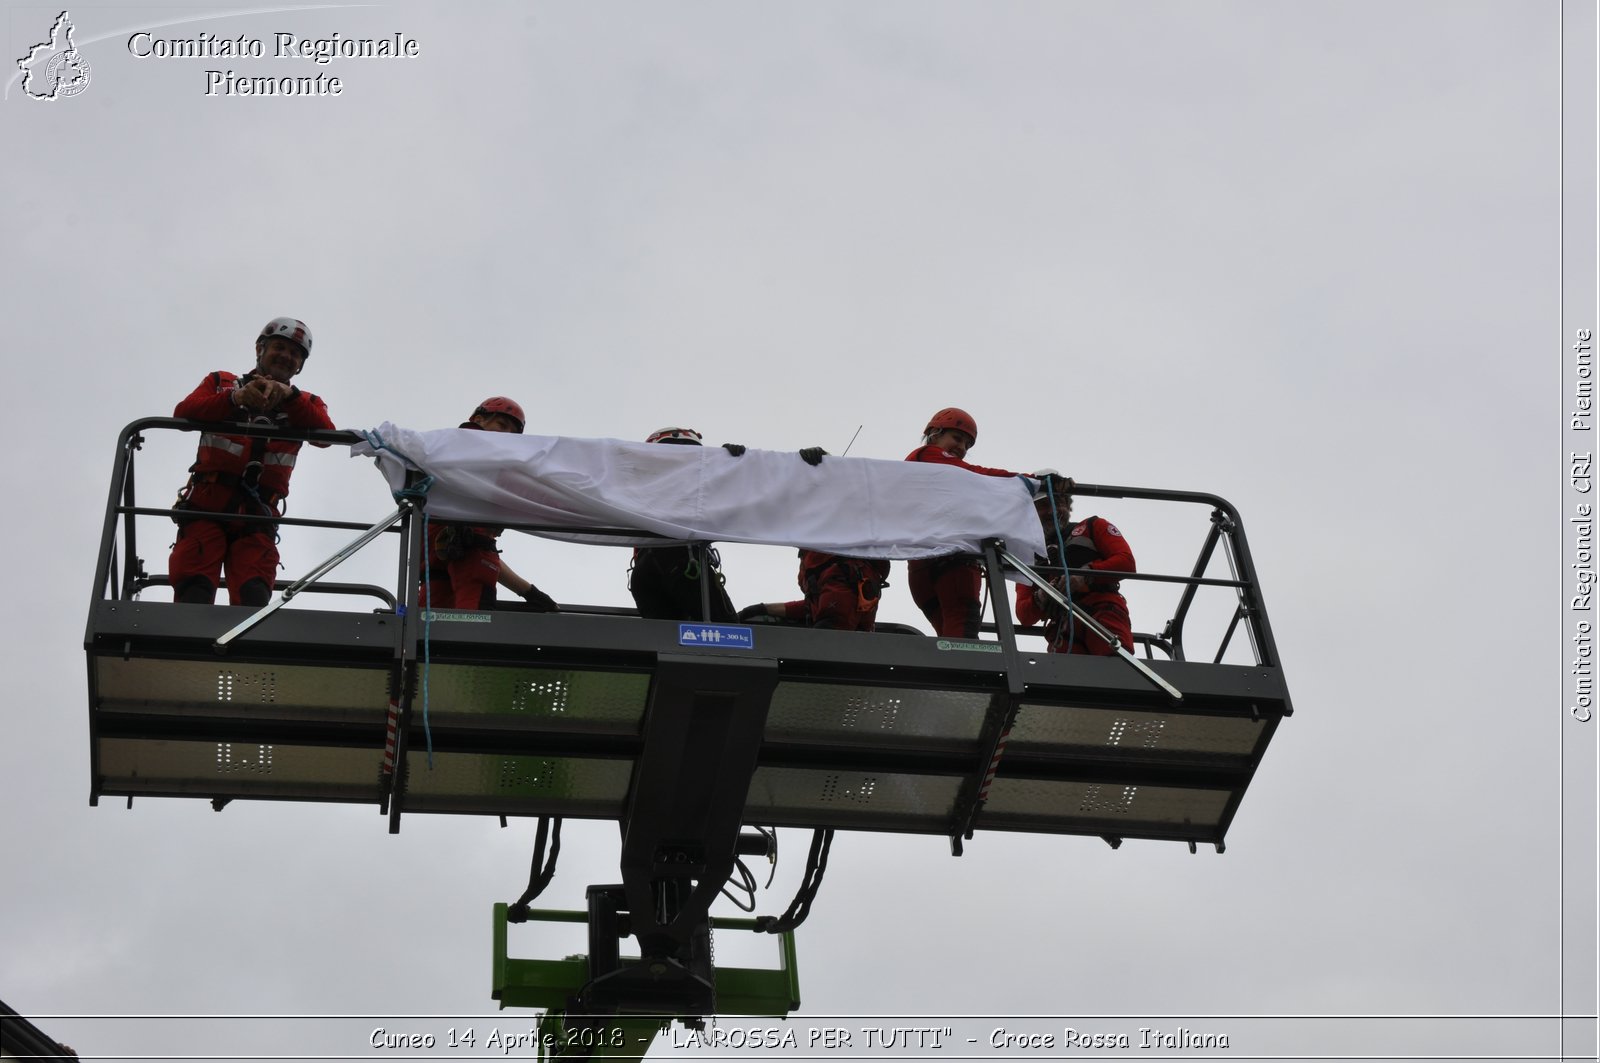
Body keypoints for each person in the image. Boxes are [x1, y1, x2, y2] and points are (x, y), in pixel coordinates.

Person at [169, 317, 334, 606]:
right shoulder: (221, 382)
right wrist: (235, 399)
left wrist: (290, 398)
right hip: (207, 507)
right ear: (260, 349)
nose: (286, 356)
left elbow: (326, 435)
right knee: (193, 590)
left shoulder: (307, 402)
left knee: (254, 596)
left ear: (300, 365)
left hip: (258, 517)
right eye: (279, 347)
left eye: (295, 354)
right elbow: (183, 414)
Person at [420, 397, 559, 612]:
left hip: (440, 570)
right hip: (456, 570)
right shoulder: (480, 462)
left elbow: (481, 550)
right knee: (469, 629)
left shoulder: (447, 455)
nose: (507, 436)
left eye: (513, 433)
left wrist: (530, 592)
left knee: (425, 631)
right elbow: (478, 554)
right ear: (478, 420)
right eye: (501, 425)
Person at [903, 407, 1024, 638]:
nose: (962, 448)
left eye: (967, 445)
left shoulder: (919, 463)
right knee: (963, 637)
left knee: (949, 638)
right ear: (934, 433)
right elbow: (975, 474)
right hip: (953, 562)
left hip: (922, 564)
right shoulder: (928, 455)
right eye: (957, 438)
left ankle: (952, 673)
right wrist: (1027, 481)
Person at [628, 427, 740, 622]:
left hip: (645, 571)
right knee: (727, 630)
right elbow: (738, 500)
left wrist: (735, 464)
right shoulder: (692, 485)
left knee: (668, 640)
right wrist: (737, 465)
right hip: (681, 560)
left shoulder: (640, 484)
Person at [1015, 479, 1136, 655]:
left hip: (1102, 613)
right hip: (1062, 629)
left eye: (1058, 503)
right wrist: (1045, 594)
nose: (1052, 511)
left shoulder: (1092, 526)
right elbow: (1024, 614)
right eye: (1043, 505)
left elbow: (1126, 563)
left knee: (1116, 673)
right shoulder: (1029, 557)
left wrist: (1084, 576)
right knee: (1067, 680)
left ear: (1067, 505)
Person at [738, 550, 890, 632]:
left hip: (837, 633)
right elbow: (810, 607)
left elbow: (835, 613)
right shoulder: (835, 584)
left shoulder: (835, 580)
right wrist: (763, 608)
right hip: (857, 633)